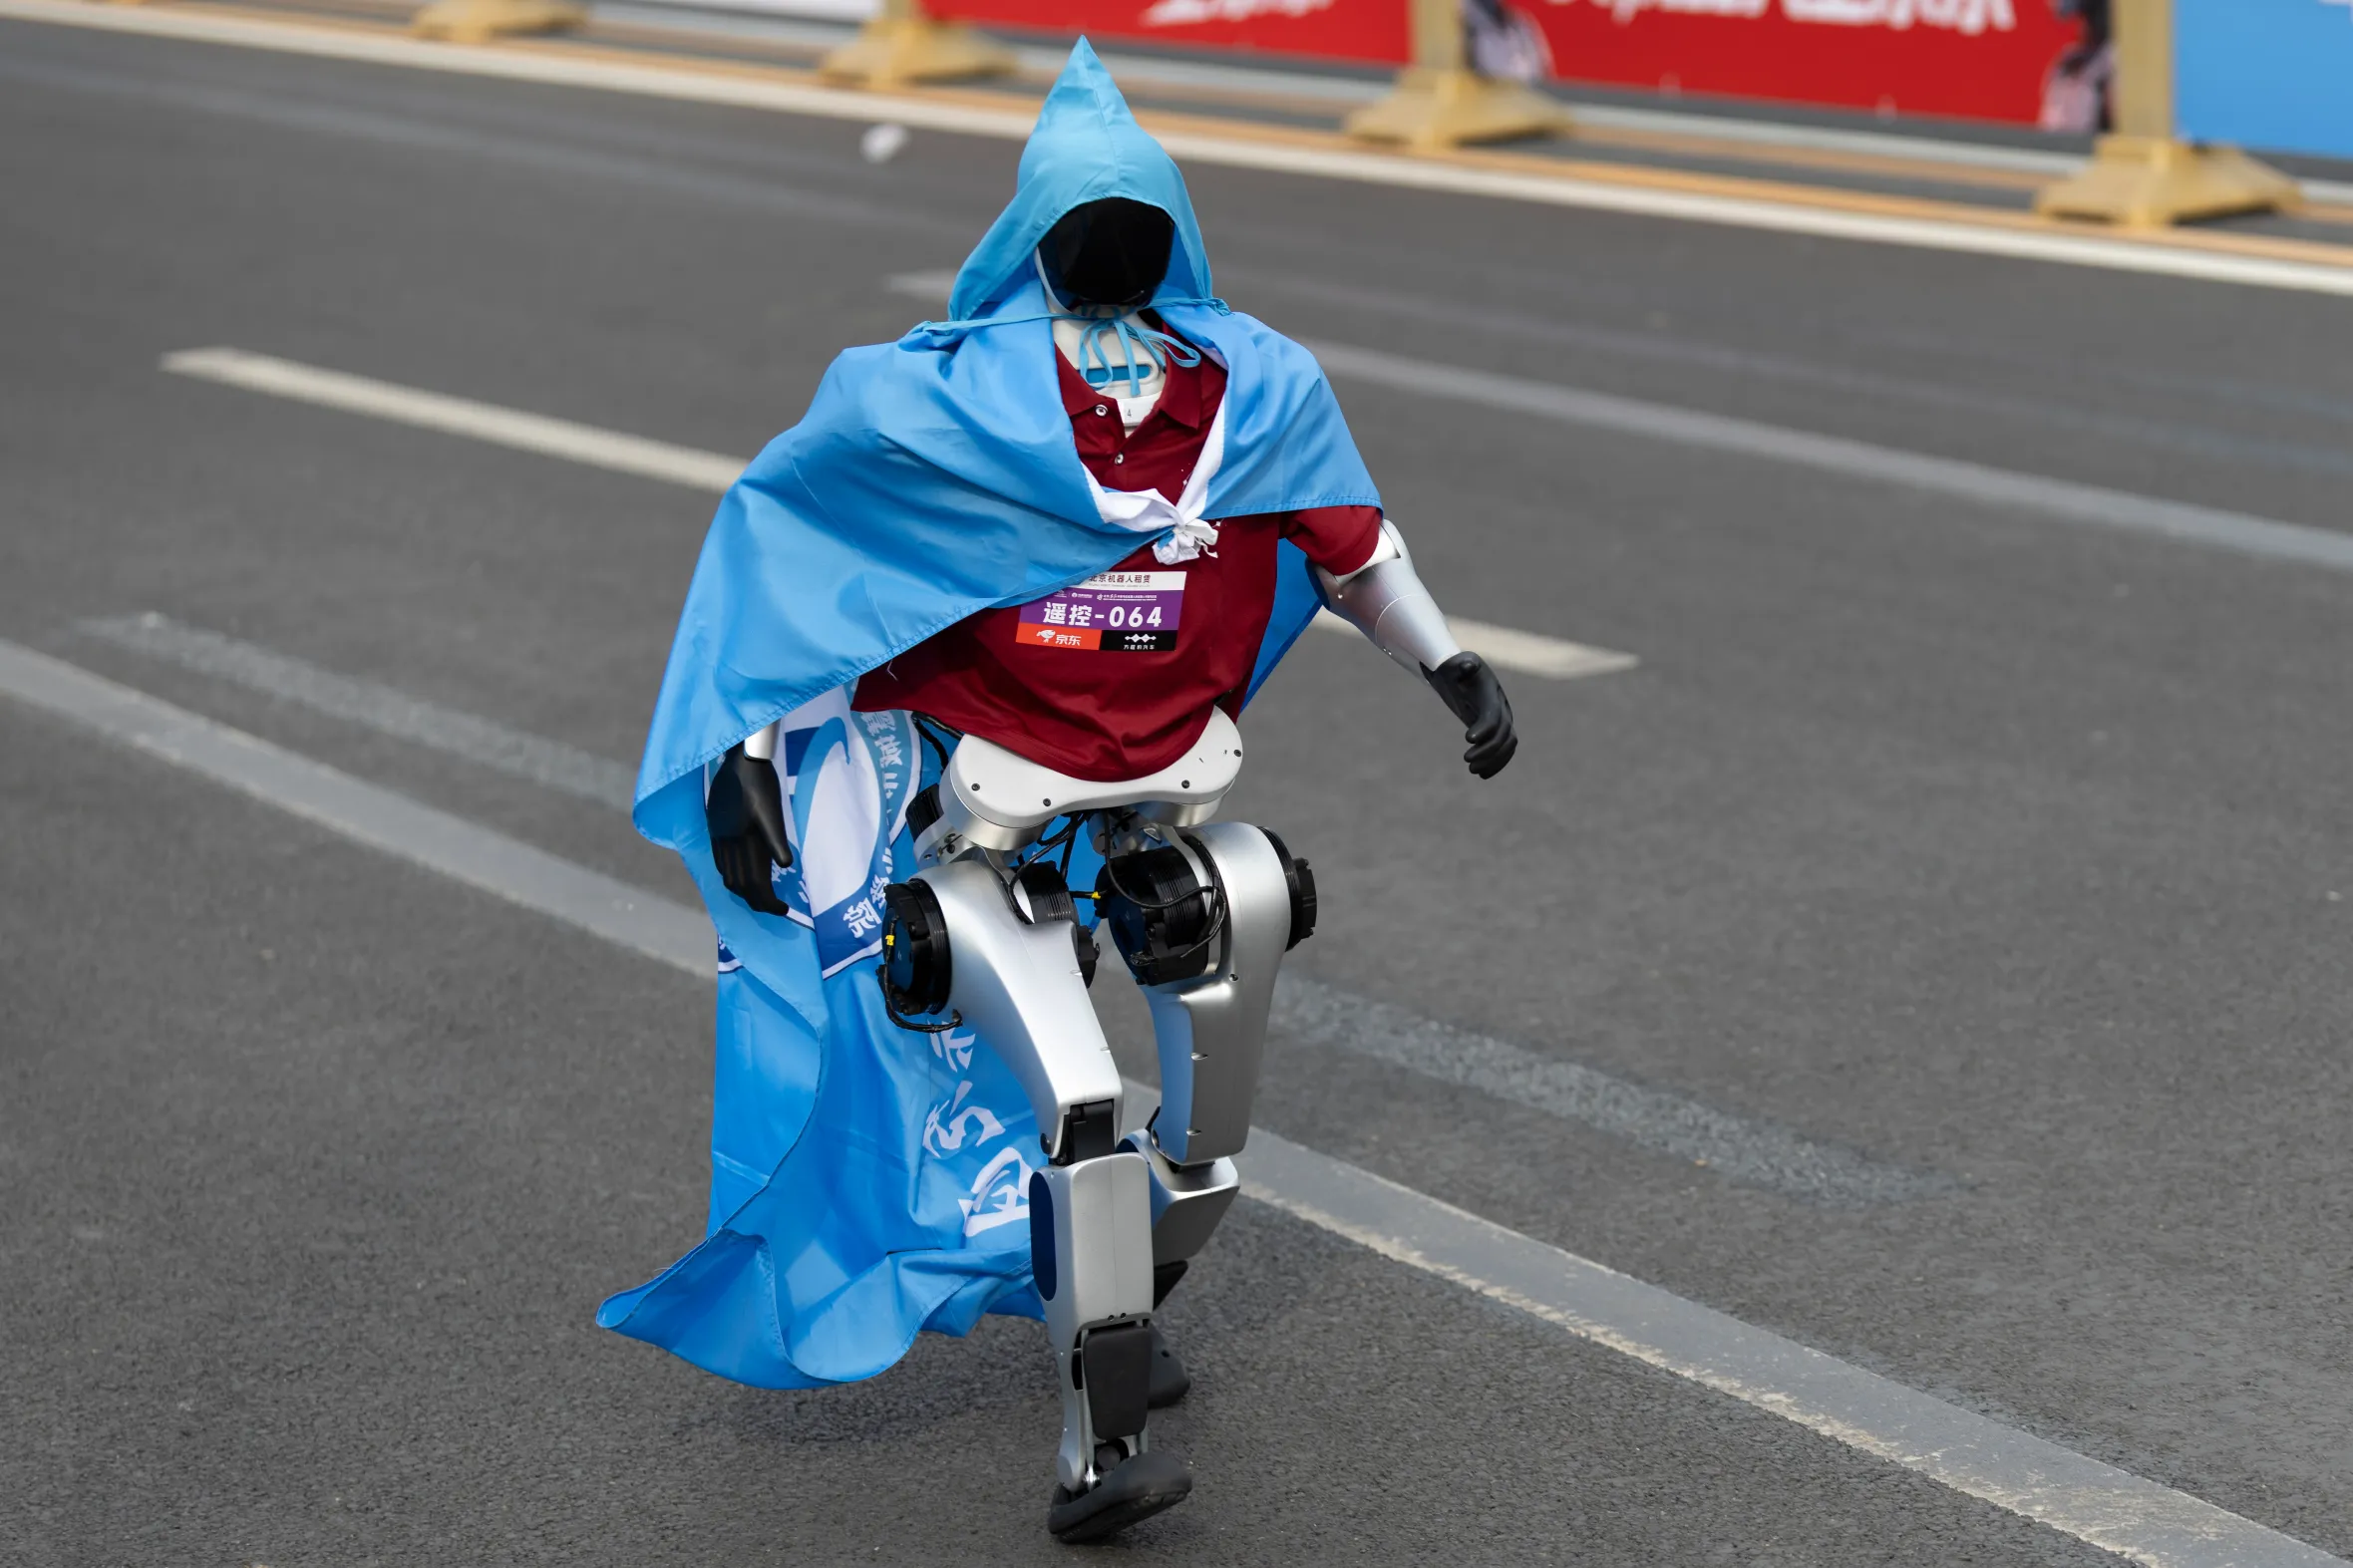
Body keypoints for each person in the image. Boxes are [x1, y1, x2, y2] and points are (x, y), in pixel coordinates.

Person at [600, 40, 1514, 1543]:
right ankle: (1099, 1440)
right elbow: (819, 566)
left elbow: (1352, 541)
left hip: (1170, 804)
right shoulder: (936, 400)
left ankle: (1109, 1290)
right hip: (999, 817)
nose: (1115, 257)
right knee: (1086, 1107)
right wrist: (748, 761)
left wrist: (1450, 662)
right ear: (1037, 244)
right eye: (1094, 229)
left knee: (1206, 1144)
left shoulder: (1253, 385)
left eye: (1135, 225)